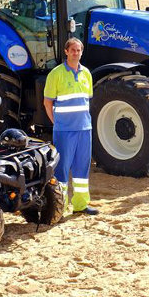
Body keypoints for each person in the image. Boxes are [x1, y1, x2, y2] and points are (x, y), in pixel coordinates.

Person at [43, 37, 98, 215]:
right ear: (66, 52)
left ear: (82, 52)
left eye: (78, 50)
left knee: (82, 168)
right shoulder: (56, 74)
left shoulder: (87, 74)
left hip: (84, 129)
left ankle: (81, 205)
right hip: (64, 130)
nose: (76, 53)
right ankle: (61, 207)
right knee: (62, 170)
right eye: (72, 50)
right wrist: (57, 123)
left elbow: (85, 101)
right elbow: (47, 103)